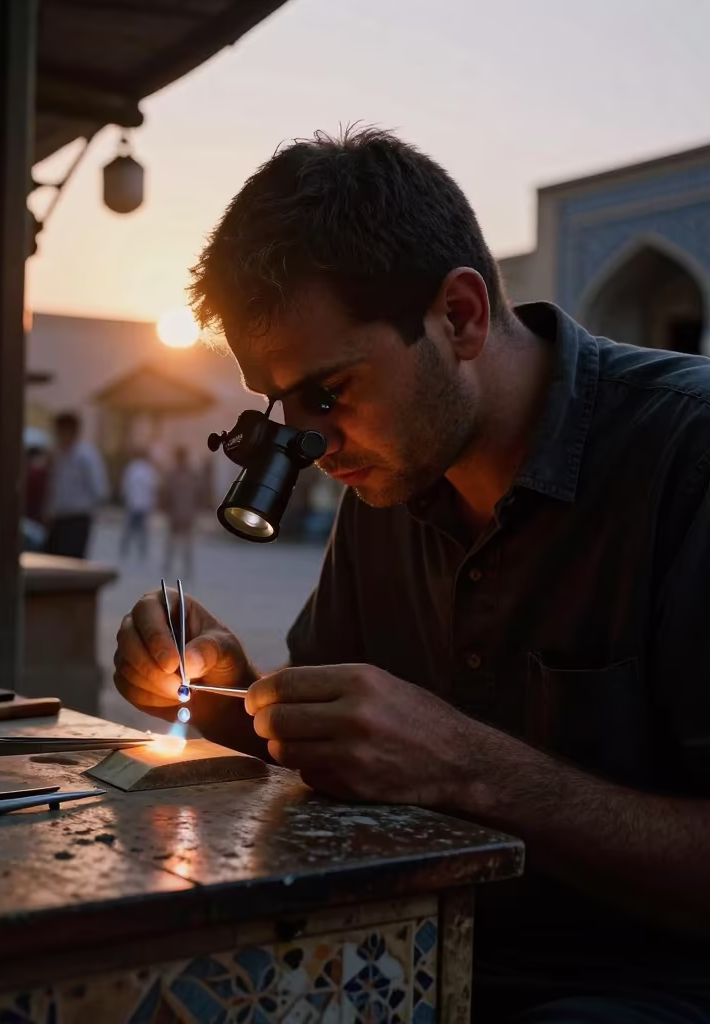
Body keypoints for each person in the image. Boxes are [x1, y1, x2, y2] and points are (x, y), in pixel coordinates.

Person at [111, 129, 710, 1022]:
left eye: (332, 392)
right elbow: (337, 759)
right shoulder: (390, 481)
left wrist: (472, 771)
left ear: (460, 316)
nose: (311, 445)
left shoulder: (686, 459)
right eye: (282, 407)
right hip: (405, 957)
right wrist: (234, 694)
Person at [44, 411, 108, 559]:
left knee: (71, 561)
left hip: (77, 519)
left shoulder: (86, 456)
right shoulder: (58, 455)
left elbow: (99, 489)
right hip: (58, 518)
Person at [161, 445, 200, 577]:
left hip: (181, 512)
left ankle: (178, 566)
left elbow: (166, 494)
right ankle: (181, 567)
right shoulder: (188, 474)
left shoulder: (176, 474)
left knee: (180, 542)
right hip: (183, 512)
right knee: (180, 542)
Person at [119, 448, 160, 562]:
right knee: (141, 530)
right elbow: (153, 488)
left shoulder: (132, 468)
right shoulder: (149, 470)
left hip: (133, 502)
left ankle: (125, 549)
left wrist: (126, 498)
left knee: (129, 528)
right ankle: (141, 551)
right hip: (143, 504)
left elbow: (126, 485)